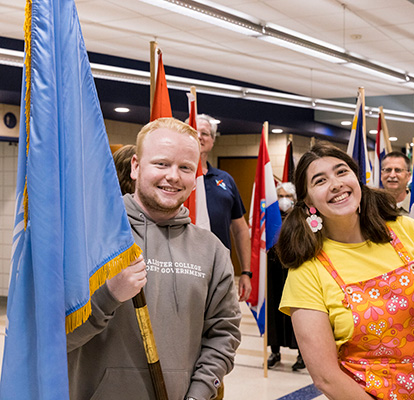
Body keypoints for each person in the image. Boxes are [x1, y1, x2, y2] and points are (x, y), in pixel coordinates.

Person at [67, 117, 242, 400]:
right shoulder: (89, 235)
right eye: (161, 164)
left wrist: (198, 394)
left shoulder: (211, 250)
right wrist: (110, 295)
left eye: (185, 167)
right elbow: (53, 339)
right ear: (136, 166)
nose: (173, 176)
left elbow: (224, 335)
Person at [278, 142, 414, 399]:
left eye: (342, 172)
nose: (336, 183)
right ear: (307, 201)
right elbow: (326, 378)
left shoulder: (405, 230)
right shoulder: (307, 271)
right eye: (320, 181)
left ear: (357, 178)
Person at [195, 114, 252, 303]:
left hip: (220, 269)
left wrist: (246, 272)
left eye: (205, 133)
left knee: (223, 325)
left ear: (212, 141)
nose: (199, 137)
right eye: (194, 132)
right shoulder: (177, 177)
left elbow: (241, 229)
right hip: (187, 266)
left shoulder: (225, 180)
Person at [266, 182, 304, 371]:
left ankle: (301, 354)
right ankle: (274, 351)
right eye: (279, 195)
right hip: (273, 270)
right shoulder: (271, 217)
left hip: (292, 269)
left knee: (294, 312)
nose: (283, 199)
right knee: (273, 311)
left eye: (287, 196)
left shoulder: (300, 219)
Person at [380, 151, 412, 215]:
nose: (392, 175)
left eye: (398, 170)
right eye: (388, 170)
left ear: (408, 176)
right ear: (381, 175)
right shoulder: (371, 207)